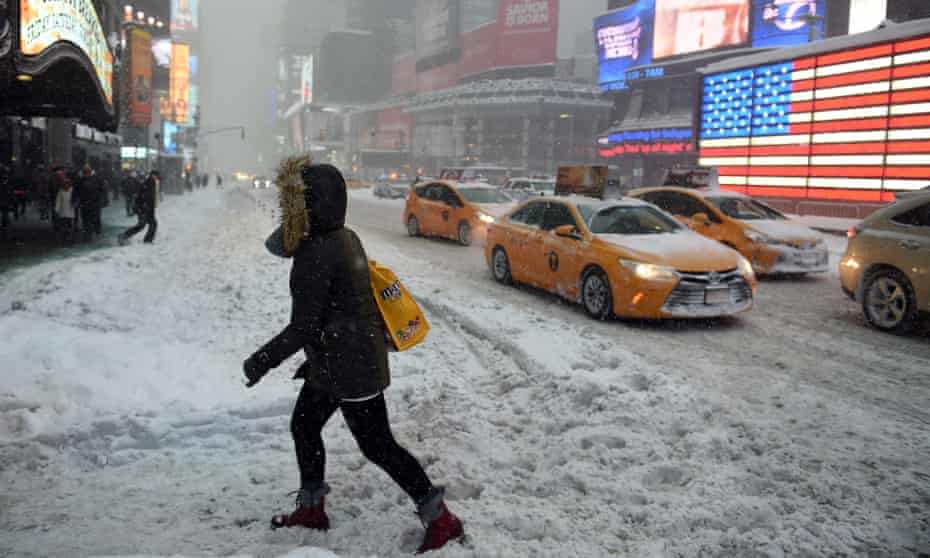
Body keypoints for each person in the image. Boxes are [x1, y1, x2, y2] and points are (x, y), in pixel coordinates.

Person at [242, 162, 464, 554]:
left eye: (297, 201)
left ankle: (440, 518)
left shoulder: (319, 250)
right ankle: (312, 509)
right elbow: (279, 247)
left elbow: (304, 327)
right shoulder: (342, 235)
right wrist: (297, 223)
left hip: (352, 367)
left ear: (314, 205)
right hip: (333, 362)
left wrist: (262, 360)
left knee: (377, 445)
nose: (290, 208)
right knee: (305, 426)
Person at [119, 170, 159, 245]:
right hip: (144, 208)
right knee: (146, 224)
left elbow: (146, 196)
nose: (157, 178)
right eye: (156, 176)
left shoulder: (150, 182)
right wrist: (145, 207)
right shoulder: (150, 182)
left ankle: (125, 236)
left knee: (145, 225)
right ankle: (146, 240)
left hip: (144, 208)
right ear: (153, 175)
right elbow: (147, 196)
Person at [76, 164, 105, 241]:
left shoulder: (97, 179)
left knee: (94, 219)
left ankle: (94, 232)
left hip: (94, 203)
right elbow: (77, 191)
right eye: (85, 172)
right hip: (86, 203)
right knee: (86, 219)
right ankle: (88, 234)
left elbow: (102, 190)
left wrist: (102, 199)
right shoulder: (81, 180)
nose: (86, 173)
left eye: (87, 172)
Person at [53, 172, 76, 242]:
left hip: (69, 212)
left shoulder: (72, 191)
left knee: (68, 224)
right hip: (63, 212)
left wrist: (75, 205)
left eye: (67, 184)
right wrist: (56, 210)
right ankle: (65, 236)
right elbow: (58, 202)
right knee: (64, 224)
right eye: (65, 184)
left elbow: (74, 200)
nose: (66, 185)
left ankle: (68, 235)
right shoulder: (60, 191)